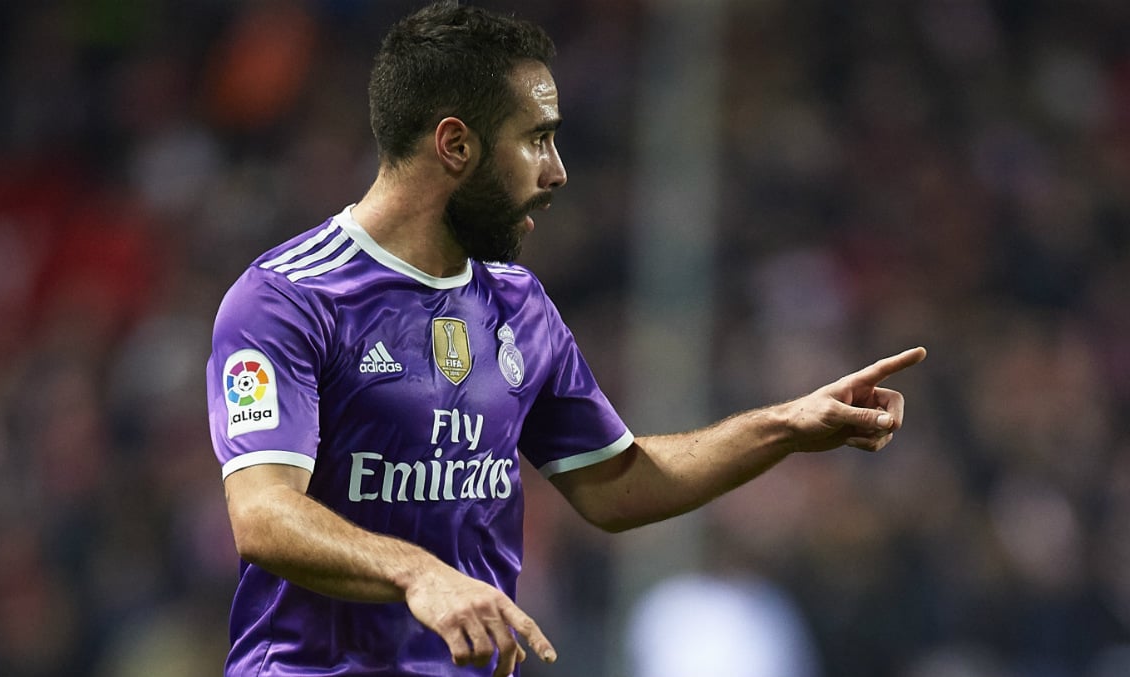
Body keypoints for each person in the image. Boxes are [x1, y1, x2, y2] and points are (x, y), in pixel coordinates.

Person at [205, 2, 927, 676]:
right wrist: (419, 571)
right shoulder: (289, 298)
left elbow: (616, 484)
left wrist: (788, 426)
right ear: (455, 143)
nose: (557, 172)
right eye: (536, 140)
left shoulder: (517, 303)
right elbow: (264, 515)